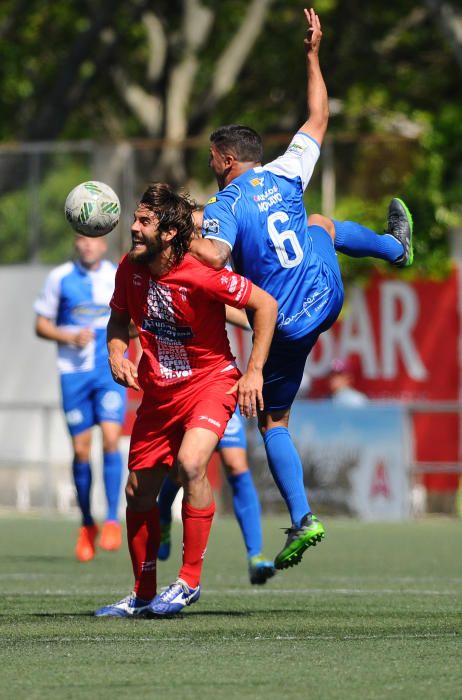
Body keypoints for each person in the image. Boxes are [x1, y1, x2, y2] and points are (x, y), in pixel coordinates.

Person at [189, 7, 413, 570]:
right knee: (322, 226)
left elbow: (214, 254)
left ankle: (304, 517)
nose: (211, 165)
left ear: (224, 159)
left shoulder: (227, 204)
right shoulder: (287, 169)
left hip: (285, 320)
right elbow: (319, 114)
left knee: (274, 423)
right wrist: (313, 54)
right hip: (326, 292)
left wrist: (178, 232)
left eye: (212, 158)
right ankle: (395, 249)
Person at [95, 182, 277, 617]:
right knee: (137, 493)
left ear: (170, 233)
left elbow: (264, 305)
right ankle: (142, 595)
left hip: (210, 383)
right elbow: (118, 321)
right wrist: (116, 352)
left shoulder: (200, 272)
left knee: (192, 464)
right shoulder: (129, 268)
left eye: (144, 222)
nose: (133, 228)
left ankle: (188, 581)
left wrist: (254, 372)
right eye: (135, 219)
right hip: (158, 393)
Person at [156, 206, 274, 586]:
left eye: (207, 227)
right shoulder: (177, 270)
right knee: (183, 468)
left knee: (236, 465)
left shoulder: (219, 268)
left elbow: (248, 310)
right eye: (197, 228)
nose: (205, 235)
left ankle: (255, 554)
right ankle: (162, 515)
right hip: (181, 385)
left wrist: (274, 322)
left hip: (217, 383)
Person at [34, 235, 126, 562]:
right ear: (75, 242)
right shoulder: (59, 278)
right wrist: (68, 335)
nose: (89, 246)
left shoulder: (117, 274)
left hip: (107, 373)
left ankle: (113, 519)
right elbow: (40, 324)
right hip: (73, 374)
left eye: (95, 240)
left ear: (104, 245)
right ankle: (87, 523)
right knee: (81, 449)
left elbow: (129, 320)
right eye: (83, 240)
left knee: (113, 440)